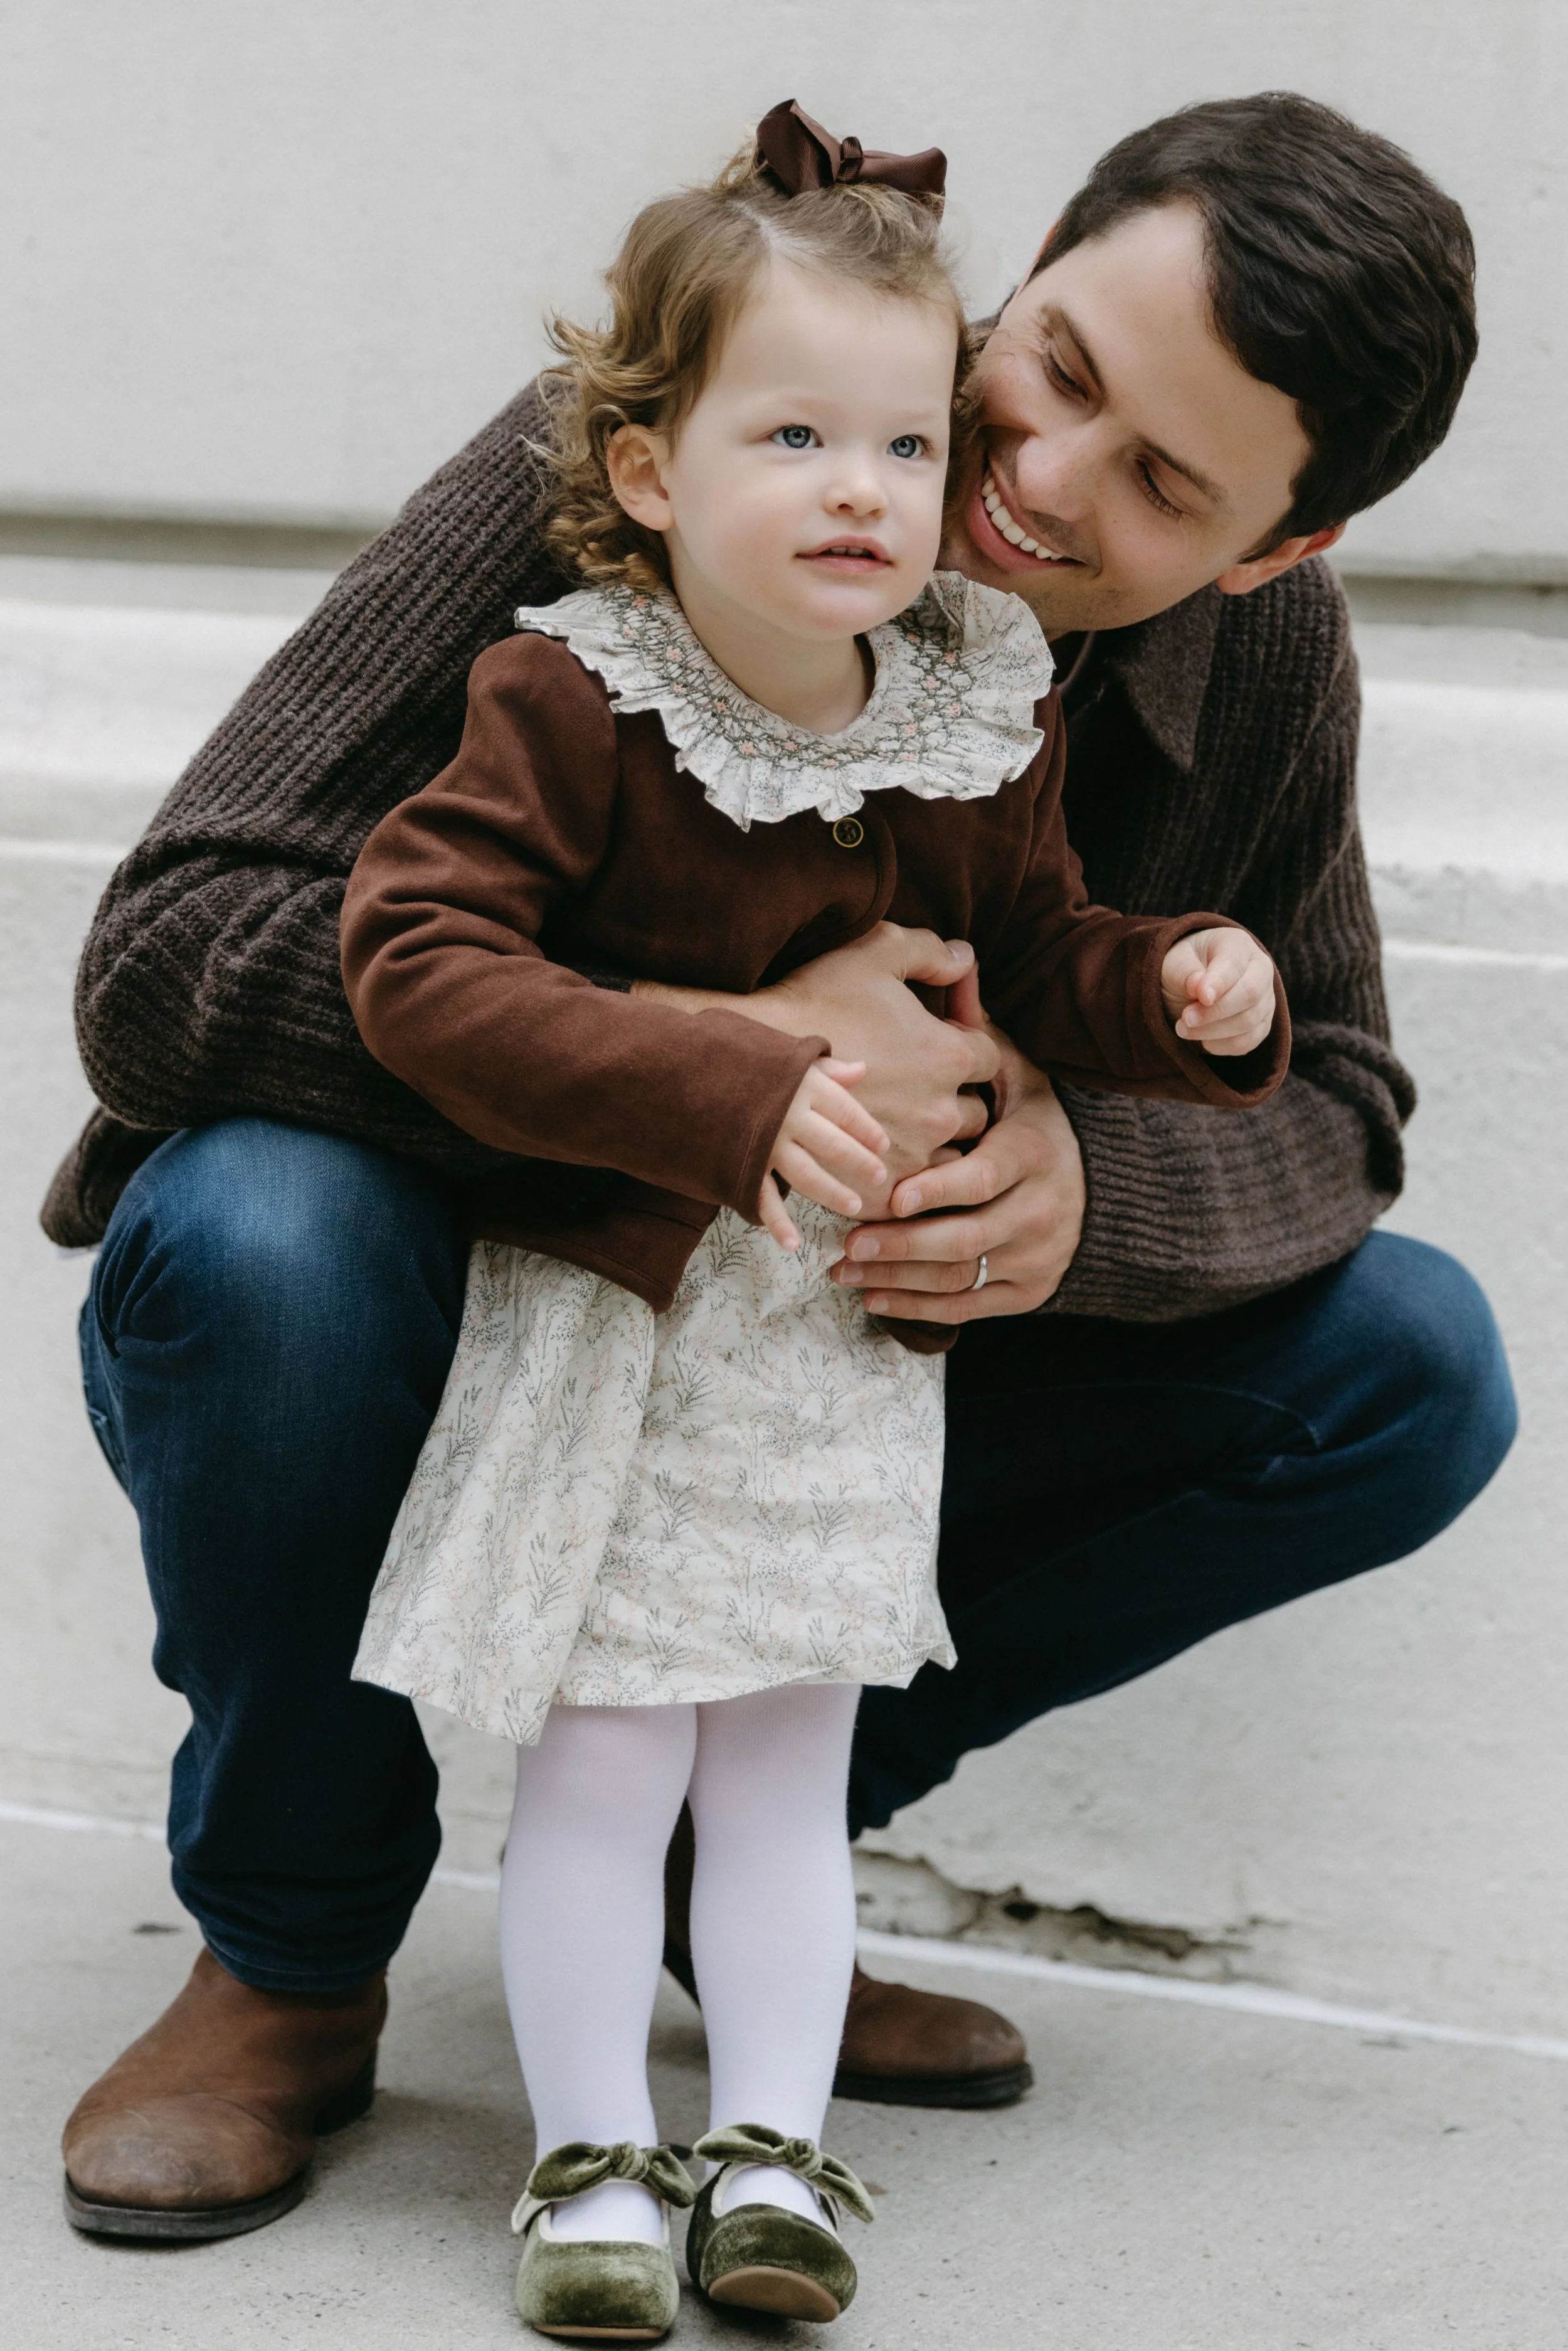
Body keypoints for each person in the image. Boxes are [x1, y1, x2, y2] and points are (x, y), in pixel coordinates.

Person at [51, 91, 1514, 2249]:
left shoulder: (1263, 654)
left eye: (1161, 484)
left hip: (840, 1343)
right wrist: (685, 1056)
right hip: (500, 1269)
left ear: (1274, 547)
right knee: (255, 1233)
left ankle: (745, 1867)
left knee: (1410, 1369)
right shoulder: (675, 416)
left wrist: (1084, 1191)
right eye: (1058, 375)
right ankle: (291, 1938)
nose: (1027, 484)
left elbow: (1341, 1096)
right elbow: (170, 948)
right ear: (1022, 276)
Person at [331, 107, 1284, 2335]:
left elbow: (1029, 951)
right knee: (607, 1752)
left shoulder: (970, 701)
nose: (867, 488)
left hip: (839, 1350)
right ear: (654, 472)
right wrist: (726, 1067)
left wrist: (1169, 988)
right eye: (794, 435)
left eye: (901, 434)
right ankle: (584, 2162)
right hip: (631, 1325)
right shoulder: (570, 694)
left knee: (784, 1761)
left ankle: (767, 2152)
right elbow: (418, 960)